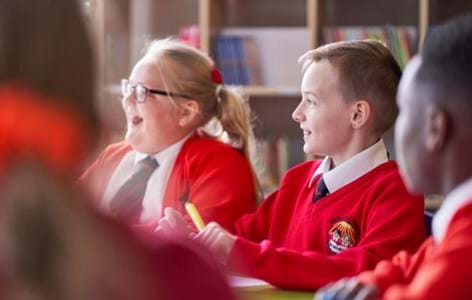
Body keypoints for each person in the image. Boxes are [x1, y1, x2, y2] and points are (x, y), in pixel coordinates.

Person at [160, 40, 426, 290]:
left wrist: (246, 254)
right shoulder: (297, 180)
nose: (296, 114)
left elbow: (369, 272)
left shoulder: (398, 189)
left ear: (357, 114)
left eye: (310, 101)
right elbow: (240, 239)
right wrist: (193, 242)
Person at [316, 14, 472, 300]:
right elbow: (412, 263)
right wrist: (377, 280)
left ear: (435, 128)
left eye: (404, 111)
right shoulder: (456, 227)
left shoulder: (465, 254)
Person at [80, 39, 259, 230]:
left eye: (141, 91)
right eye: (129, 88)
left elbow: (196, 244)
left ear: (186, 112)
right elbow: (64, 211)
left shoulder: (221, 165)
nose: (127, 99)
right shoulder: (112, 156)